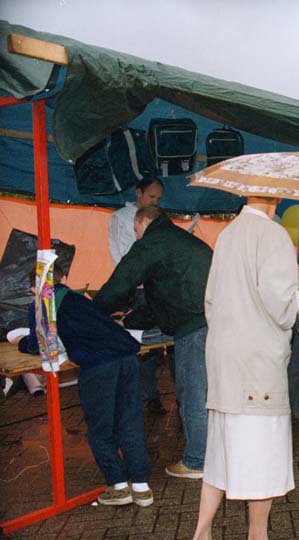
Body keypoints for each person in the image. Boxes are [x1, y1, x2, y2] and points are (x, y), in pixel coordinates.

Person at [192, 197, 299, 540]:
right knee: (263, 461)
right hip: (259, 368)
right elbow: (281, 309)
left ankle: (202, 532)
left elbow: (210, 301)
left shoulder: (228, 234)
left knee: (219, 455)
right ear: (274, 199)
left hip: (224, 362)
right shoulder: (273, 236)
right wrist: (298, 287)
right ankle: (258, 535)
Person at [19, 262, 152, 506]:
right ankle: (142, 487)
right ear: (65, 279)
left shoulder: (43, 304)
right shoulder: (79, 298)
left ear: (34, 288)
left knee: (100, 428)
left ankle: (118, 486)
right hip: (127, 357)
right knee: (129, 421)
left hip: (99, 365)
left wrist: (21, 343)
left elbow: (37, 343)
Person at [95, 206, 213, 479]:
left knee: (191, 395)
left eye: (136, 231)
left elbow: (122, 279)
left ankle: (197, 461)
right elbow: (161, 298)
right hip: (213, 318)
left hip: (193, 327)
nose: (136, 237)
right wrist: (129, 321)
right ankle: (211, 452)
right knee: (205, 393)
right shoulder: (182, 241)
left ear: (144, 221)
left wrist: (94, 313)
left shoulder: (152, 242)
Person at [107, 175, 167, 416]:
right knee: (139, 345)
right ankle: (147, 396)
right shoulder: (120, 218)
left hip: (157, 288)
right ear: (138, 193)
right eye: (151, 196)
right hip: (137, 290)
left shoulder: (158, 220)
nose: (155, 202)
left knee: (160, 343)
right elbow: (120, 256)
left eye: (159, 199)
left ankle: (160, 396)